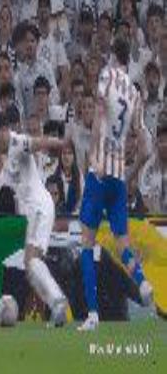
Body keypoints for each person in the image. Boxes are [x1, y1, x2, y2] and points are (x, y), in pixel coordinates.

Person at [0, 114, 69, 327]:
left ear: (4, 131)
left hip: (40, 207)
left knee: (31, 262)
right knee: (30, 266)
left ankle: (58, 301)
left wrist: (63, 142)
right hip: (35, 211)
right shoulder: (1, 154)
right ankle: (56, 306)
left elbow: (40, 142)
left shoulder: (17, 142)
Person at [78, 37, 153, 332]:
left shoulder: (107, 76)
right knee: (122, 244)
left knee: (86, 244)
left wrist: (95, 156)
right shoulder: (134, 93)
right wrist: (129, 172)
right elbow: (145, 147)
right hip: (119, 177)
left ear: (112, 56)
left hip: (99, 174)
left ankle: (92, 314)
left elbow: (99, 115)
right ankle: (142, 281)